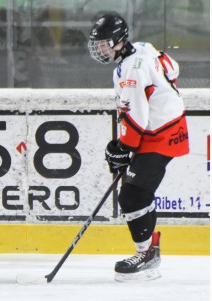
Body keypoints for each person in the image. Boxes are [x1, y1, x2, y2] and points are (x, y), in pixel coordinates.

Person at [88, 13, 189, 281]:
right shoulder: (144, 49)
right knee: (135, 192)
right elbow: (172, 67)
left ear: (120, 41)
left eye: (104, 43)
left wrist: (123, 148)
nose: (100, 49)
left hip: (160, 134)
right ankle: (149, 250)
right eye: (98, 44)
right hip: (166, 127)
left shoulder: (130, 71)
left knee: (133, 196)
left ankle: (146, 255)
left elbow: (136, 117)